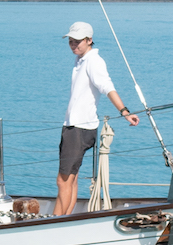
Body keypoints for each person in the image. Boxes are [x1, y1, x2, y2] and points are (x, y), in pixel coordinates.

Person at [59, 21, 139, 211]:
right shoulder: (81, 60)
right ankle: (64, 219)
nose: (73, 45)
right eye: (70, 41)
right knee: (72, 178)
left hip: (78, 128)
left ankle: (53, 222)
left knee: (63, 181)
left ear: (89, 40)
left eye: (77, 41)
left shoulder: (93, 61)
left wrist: (124, 111)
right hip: (78, 126)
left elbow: (107, 87)